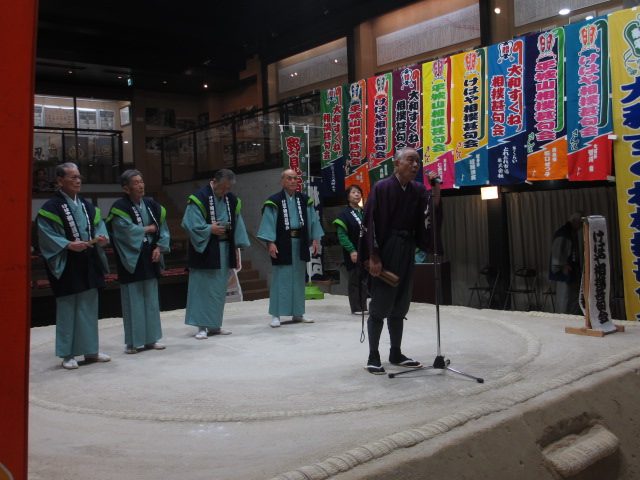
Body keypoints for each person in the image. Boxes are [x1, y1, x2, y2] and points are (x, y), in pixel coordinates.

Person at [360, 148, 441, 375]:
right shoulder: (382, 187)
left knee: (401, 303)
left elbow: (429, 214)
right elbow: (371, 223)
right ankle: (373, 355)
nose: (415, 165)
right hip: (386, 250)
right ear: (397, 164)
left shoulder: (417, 189)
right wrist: (373, 256)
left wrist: (436, 189)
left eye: (417, 162)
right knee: (381, 304)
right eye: (410, 160)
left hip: (407, 249)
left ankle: (396, 352)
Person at [36, 162, 111, 369]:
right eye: (73, 177)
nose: (78, 181)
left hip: (88, 260)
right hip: (67, 261)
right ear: (60, 181)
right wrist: (68, 244)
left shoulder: (87, 206)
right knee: (68, 307)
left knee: (88, 307)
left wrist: (101, 237)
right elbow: (46, 235)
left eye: (79, 177)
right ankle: (67, 354)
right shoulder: (50, 208)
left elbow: (99, 226)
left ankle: (91, 350)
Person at [106, 169, 170, 354]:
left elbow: (162, 229)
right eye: (135, 183)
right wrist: (147, 229)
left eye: (141, 181)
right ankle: (133, 342)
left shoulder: (151, 204)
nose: (140, 185)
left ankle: (152, 339)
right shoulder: (119, 207)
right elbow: (123, 232)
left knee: (151, 299)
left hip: (151, 254)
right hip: (131, 256)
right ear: (126, 188)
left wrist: (159, 247)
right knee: (133, 299)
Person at [182, 169, 250, 339]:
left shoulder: (232, 200)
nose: (225, 192)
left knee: (218, 290)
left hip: (225, 248)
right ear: (214, 181)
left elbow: (238, 222)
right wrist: (209, 229)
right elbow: (190, 224)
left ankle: (215, 325)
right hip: (204, 248)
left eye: (228, 188)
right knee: (202, 289)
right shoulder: (199, 198)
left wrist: (239, 245)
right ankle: (201, 327)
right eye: (223, 188)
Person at [257, 169, 324, 328]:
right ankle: (276, 314)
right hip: (282, 242)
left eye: (295, 178)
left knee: (299, 278)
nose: (293, 181)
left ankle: (298, 313)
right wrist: (270, 243)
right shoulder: (273, 201)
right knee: (281, 279)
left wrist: (315, 239)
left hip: (299, 242)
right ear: (282, 181)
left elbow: (313, 220)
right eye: (289, 178)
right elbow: (268, 223)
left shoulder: (304, 200)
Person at [333, 184, 368, 314]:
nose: (357, 194)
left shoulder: (364, 212)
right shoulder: (344, 214)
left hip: (365, 251)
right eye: (354, 192)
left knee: (364, 280)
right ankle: (356, 308)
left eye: (359, 192)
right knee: (354, 279)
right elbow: (342, 235)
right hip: (353, 251)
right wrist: (352, 250)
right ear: (348, 197)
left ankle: (364, 306)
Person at [549, 212, 583, 314]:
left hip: (572, 269)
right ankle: (563, 319)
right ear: (575, 222)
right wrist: (562, 266)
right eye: (580, 224)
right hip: (564, 271)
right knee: (565, 298)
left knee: (573, 297)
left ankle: (573, 317)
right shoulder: (563, 233)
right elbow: (556, 253)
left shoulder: (571, 233)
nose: (581, 227)